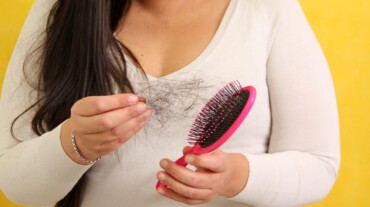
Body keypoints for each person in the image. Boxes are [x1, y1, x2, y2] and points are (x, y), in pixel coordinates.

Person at [0, 0, 340, 206]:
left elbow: (318, 166)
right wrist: (73, 144)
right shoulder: (59, 10)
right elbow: (16, 184)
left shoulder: (266, 9)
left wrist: (234, 176)